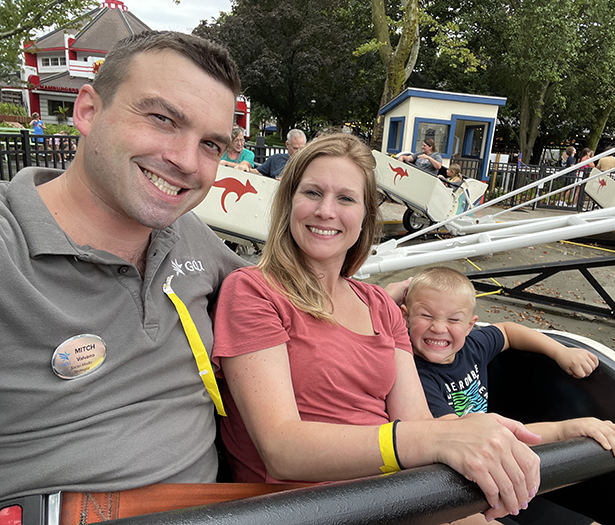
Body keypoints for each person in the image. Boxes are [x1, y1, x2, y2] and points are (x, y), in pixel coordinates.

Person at [212, 133, 541, 523]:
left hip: (395, 494)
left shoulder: (380, 305)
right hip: (304, 509)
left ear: (366, 216)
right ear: (288, 202)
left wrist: (482, 435)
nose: (326, 211)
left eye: (346, 199)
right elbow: (281, 449)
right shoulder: (253, 291)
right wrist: (434, 439)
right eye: (312, 193)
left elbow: (417, 422)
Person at [0, 31, 247, 500]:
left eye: (210, 145)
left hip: (218, 506)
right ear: (88, 111)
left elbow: (282, 292)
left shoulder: (187, 234)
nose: (186, 162)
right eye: (163, 119)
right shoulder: (8, 248)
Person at [402, 267, 615, 525]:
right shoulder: (414, 377)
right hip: (454, 485)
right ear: (405, 316)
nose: (439, 327)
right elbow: (470, 441)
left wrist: (560, 352)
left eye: (453, 320)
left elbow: (508, 331)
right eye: (426, 315)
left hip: (499, 473)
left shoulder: (473, 346)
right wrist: (564, 430)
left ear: (469, 326)